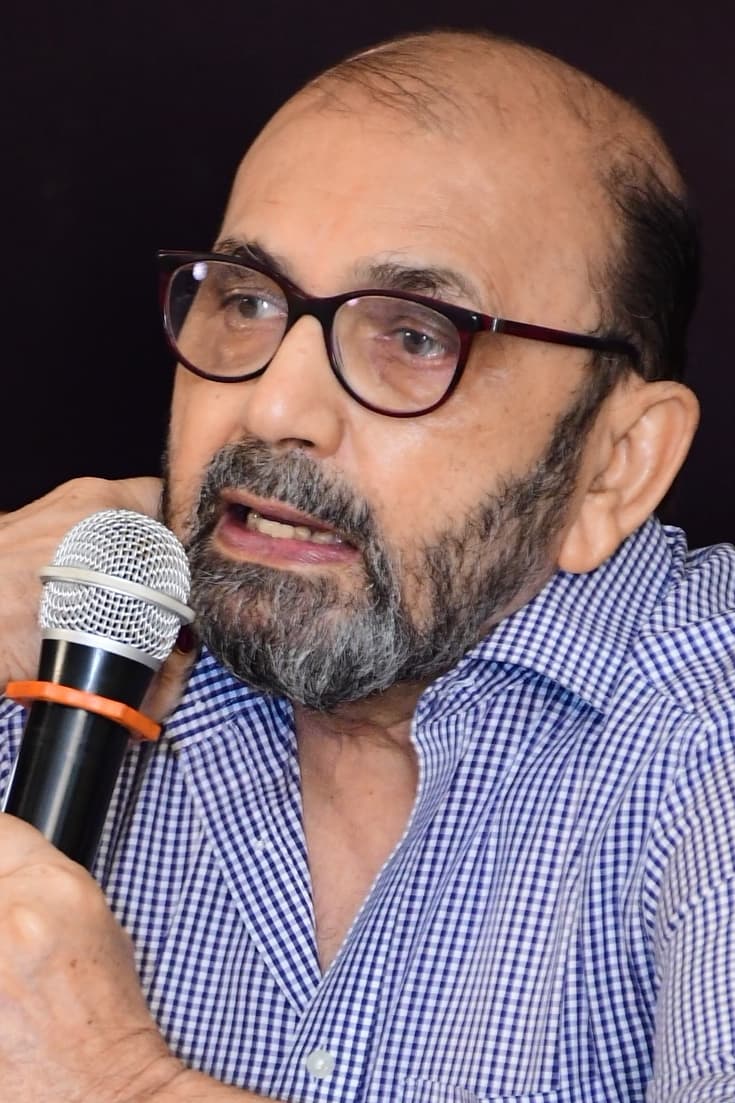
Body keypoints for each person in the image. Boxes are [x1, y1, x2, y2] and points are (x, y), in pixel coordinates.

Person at [0, 26, 732, 1103]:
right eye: (248, 301)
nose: (274, 408)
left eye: (416, 335)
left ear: (616, 465)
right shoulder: (71, 633)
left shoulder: (706, 724)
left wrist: (113, 1081)